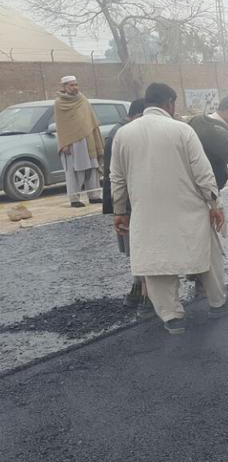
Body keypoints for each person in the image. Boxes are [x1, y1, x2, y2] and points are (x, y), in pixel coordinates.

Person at [109, 83, 228, 335]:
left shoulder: (123, 135)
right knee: (208, 250)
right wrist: (215, 204)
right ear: (169, 103)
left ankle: (172, 317)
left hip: (146, 211)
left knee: (155, 260)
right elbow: (203, 173)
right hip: (187, 207)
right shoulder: (182, 130)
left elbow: (116, 178)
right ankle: (218, 302)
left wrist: (119, 211)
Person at [101, 98, 147, 309]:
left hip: (130, 200)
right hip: (128, 202)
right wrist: (120, 208)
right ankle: (142, 291)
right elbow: (116, 176)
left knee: (137, 245)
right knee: (137, 244)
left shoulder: (125, 131)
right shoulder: (121, 135)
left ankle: (140, 288)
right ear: (138, 115)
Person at [53, 75, 104, 208]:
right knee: (74, 171)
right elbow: (61, 126)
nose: (75, 87)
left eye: (76, 84)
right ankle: (74, 199)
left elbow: (91, 119)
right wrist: (63, 143)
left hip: (88, 140)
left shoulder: (83, 99)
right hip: (72, 143)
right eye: (71, 85)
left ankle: (94, 196)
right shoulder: (59, 103)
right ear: (64, 87)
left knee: (92, 169)